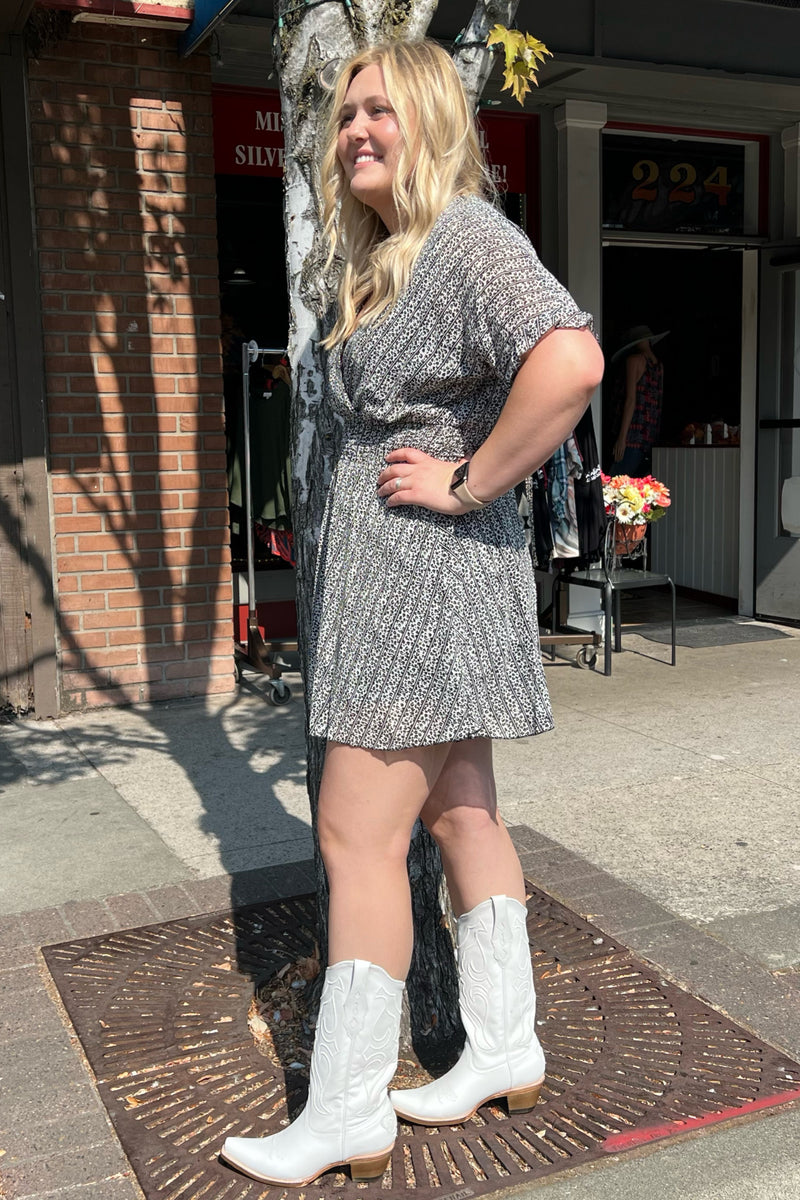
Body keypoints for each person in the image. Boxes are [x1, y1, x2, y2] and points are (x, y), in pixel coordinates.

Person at [221, 39, 604, 1188]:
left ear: (432, 118)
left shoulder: (467, 240)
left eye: (378, 110)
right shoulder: (391, 255)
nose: (355, 133)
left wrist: (468, 479)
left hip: (420, 584)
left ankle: (344, 1111)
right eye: (344, 118)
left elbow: (572, 361)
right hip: (422, 585)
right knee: (461, 823)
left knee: (354, 835)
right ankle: (501, 1045)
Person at [609, 324, 668, 475]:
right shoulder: (659, 366)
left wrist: (622, 437)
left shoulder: (634, 360)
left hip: (632, 435)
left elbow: (630, 400)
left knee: (616, 486)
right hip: (649, 436)